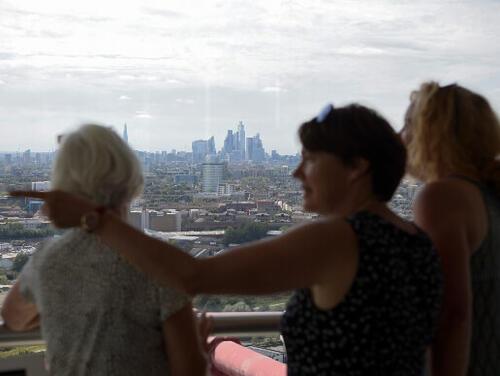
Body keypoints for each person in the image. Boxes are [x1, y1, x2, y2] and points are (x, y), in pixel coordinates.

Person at [13, 104, 443, 376]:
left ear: (356, 168)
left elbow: (193, 274)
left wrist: (93, 220)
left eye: (310, 160)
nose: (296, 174)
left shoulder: (335, 239)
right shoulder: (415, 240)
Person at [2, 125, 207, 376]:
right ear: (132, 180)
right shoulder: (156, 264)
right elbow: (190, 370)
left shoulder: (47, 260)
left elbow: (13, 316)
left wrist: (69, 310)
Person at [402, 82, 500, 376]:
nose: (399, 136)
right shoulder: (488, 194)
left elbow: (451, 315)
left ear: (431, 136)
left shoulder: (441, 198)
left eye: (408, 125)